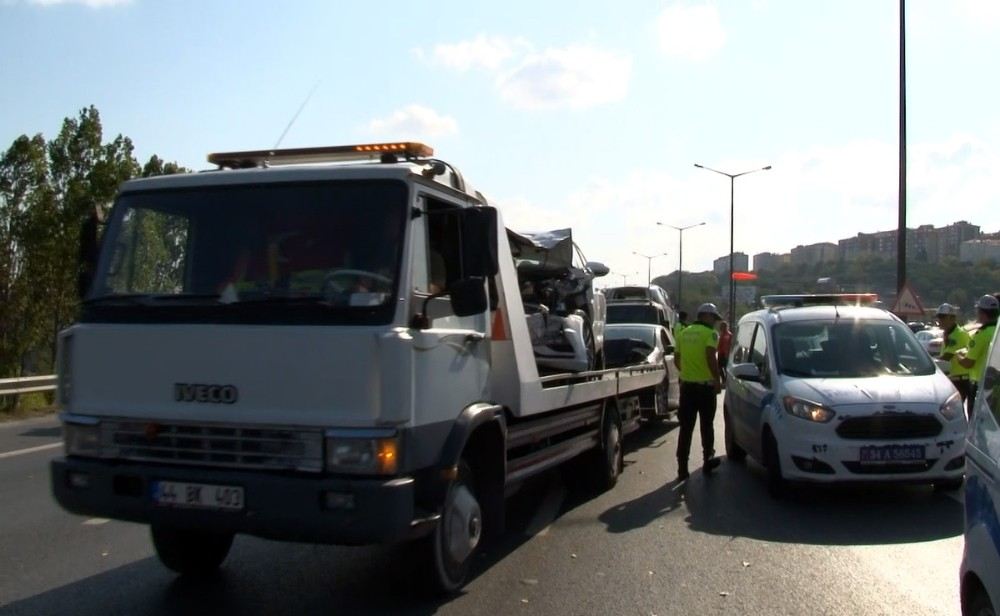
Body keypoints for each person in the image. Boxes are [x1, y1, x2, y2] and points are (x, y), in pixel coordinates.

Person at [673, 302, 724, 481]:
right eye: (714, 319)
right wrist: (717, 380)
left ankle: (682, 468)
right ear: (707, 317)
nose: (715, 323)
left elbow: (676, 359)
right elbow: (711, 357)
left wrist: (686, 372)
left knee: (686, 428)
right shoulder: (710, 334)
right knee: (706, 426)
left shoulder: (683, 333)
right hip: (705, 388)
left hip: (687, 388)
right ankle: (708, 459)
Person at [957, 295, 999, 417]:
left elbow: (968, 363)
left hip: (980, 384)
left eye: (978, 311)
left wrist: (958, 355)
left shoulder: (981, 334)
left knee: (975, 418)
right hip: (996, 382)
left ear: (982, 313)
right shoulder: (998, 331)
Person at [936, 303, 972, 405]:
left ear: (952, 318)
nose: (940, 320)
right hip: (952, 379)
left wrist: (926, 361)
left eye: (943, 317)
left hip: (960, 381)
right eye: (939, 317)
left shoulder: (958, 334)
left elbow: (946, 358)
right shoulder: (948, 333)